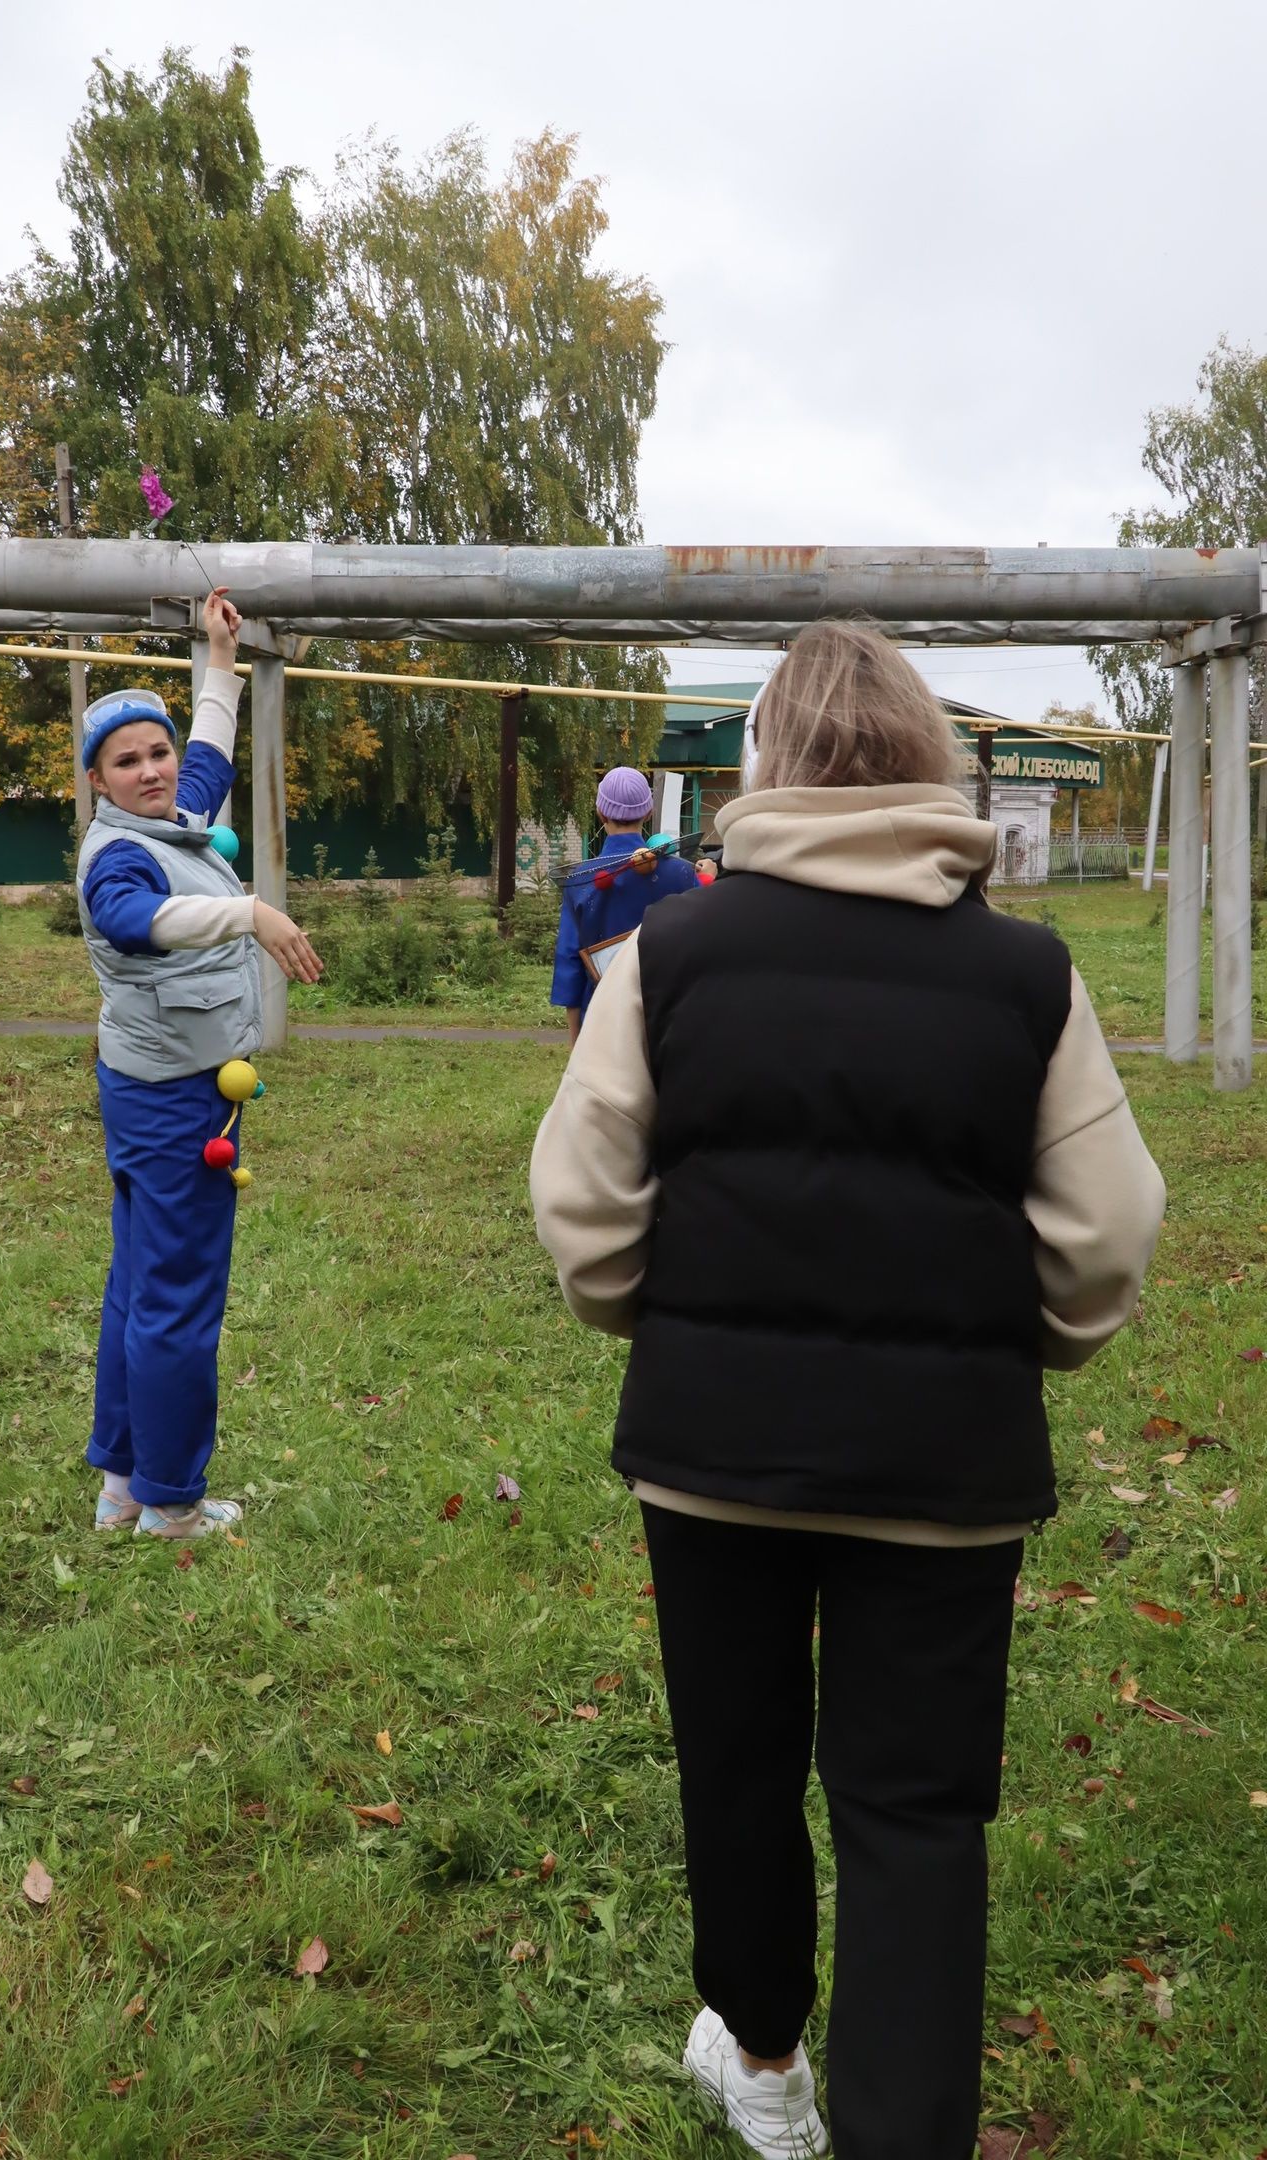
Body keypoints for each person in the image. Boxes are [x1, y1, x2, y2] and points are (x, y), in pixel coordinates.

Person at [530, 623, 1165, 2160]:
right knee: (919, 1814)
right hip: (944, 1477)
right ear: (920, 758)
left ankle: (763, 2068)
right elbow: (1110, 1229)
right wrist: (1026, 1350)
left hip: (713, 1455)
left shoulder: (664, 955)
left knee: (737, 1767)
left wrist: (658, 1324)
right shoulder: (1028, 973)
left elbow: (582, 1199)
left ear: (765, 766)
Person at [77, 589, 323, 1540]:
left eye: (157, 751)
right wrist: (249, 911)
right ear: (97, 781)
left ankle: (124, 1484)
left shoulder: (173, 816)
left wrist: (219, 659)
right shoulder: (118, 860)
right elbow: (136, 925)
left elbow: (212, 753)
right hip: (174, 1101)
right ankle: (172, 1502)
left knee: (139, 1286)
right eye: (126, 761)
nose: (151, 770)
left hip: (157, 1087)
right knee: (177, 1299)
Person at [550, 767, 699, 1048]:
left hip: (600, 1017)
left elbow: (569, 961)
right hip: (669, 1018)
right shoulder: (682, 874)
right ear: (649, 813)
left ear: (600, 813)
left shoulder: (580, 880)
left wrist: (576, 1042)